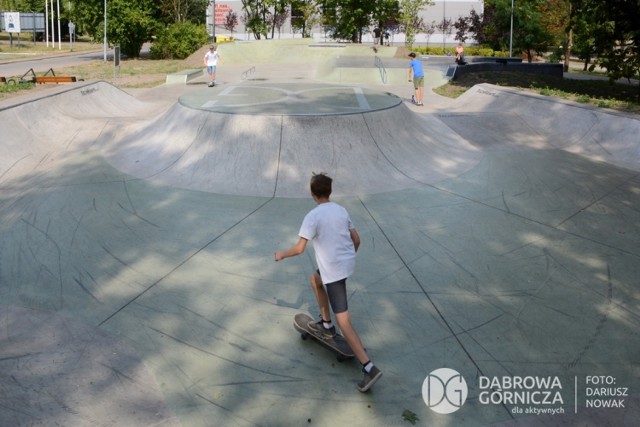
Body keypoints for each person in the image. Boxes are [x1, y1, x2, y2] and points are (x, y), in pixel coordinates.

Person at [274, 173, 382, 393]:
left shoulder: (312, 216)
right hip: (343, 264)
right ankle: (326, 324)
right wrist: (346, 260)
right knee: (315, 279)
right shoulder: (341, 210)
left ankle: (369, 367)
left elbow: (299, 249)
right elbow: (357, 240)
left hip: (333, 271)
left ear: (313, 194)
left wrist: (281, 254)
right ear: (329, 192)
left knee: (345, 322)